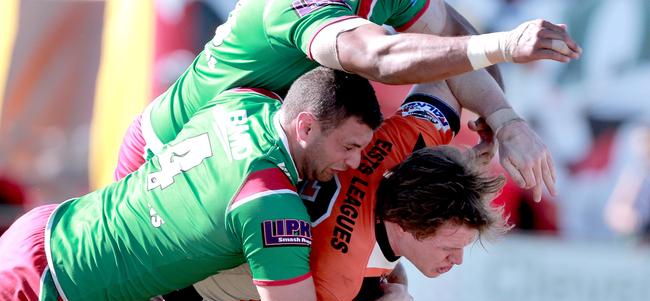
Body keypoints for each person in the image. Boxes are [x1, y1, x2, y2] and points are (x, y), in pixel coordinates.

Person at [0, 68, 415, 301]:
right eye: (348, 146)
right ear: (305, 127)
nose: (354, 161)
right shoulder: (269, 203)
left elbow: (149, 126)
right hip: (49, 297)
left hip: (50, 230)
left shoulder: (243, 101)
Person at [145, 69, 511, 301]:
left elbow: (454, 70)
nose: (459, 260)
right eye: (450, 247)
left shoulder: (412, 140)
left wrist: (502, 122)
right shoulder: (334, 278)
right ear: (407, 224)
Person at [115, 0, 582, 202]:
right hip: (170, 155)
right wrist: (507, 45)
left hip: (253, 161)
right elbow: (377, 55)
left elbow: (454, 34)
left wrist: (504, 119)